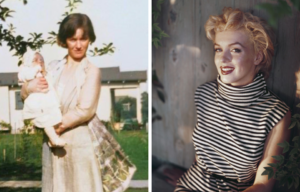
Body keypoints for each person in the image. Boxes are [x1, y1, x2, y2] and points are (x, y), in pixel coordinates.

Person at [174, 7, 291, 192]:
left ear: (257, 57)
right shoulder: (204, 94)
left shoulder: (276, 114)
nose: (223, 58)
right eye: (218, 49)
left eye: (235, 50)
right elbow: (200, 158)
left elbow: (263, 185)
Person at [21, 13, 135, 192]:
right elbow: (27, 94)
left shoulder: (91, 71)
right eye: (73, 39)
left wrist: (54, 128)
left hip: (79, 145)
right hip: (52, 148)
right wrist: (29, 87)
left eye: (84, 39)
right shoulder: (52, 68)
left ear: (90, 40)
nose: (78, 45)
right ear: (64, 40)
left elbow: (85, 110)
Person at [18, 50, 66, 147]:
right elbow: (24, 78)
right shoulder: (29, 74)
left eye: (42, 60)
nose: (40, 62)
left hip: (49, 106)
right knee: (46, 121)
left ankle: (53, 140)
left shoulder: (47, 75)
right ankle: (54, 139)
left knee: (54, 120)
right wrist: (34, 73)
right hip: (38, 107)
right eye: (35, 60)